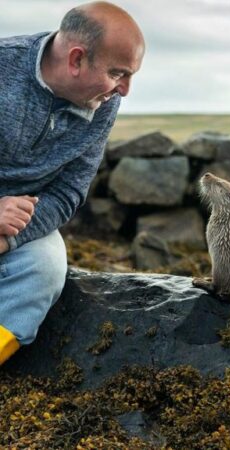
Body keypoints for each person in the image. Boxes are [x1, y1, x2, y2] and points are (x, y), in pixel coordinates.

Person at [0, 1, 145, 364]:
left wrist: (9, 238)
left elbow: (68, 193)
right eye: (118, 73)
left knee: (46, 266)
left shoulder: (103, 102)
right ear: (77, 59)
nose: (124, 90)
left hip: (17, 226)